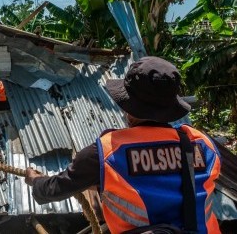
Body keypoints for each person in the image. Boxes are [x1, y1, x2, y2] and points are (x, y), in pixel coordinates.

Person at [25, 56, 221, 233]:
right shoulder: (203, 144)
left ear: (128, 107)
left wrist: (35, 180)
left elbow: (54, 189)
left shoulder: (106, 152)